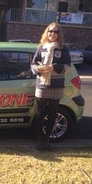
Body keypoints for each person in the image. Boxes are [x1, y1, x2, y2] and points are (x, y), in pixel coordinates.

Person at [31, 22, 71, 150]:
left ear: (59, 34)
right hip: (42, 84)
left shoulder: (63, 48)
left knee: (53, 113)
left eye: (55, 31)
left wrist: (54, 67)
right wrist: (39, 68)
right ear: (46, 33)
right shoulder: (41, 47)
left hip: (57, 85)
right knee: (40, 113)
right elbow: (32, 65)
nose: (52, 33)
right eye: (50, 31)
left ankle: (47, 139)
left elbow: (68, 67)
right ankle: (39, 139)